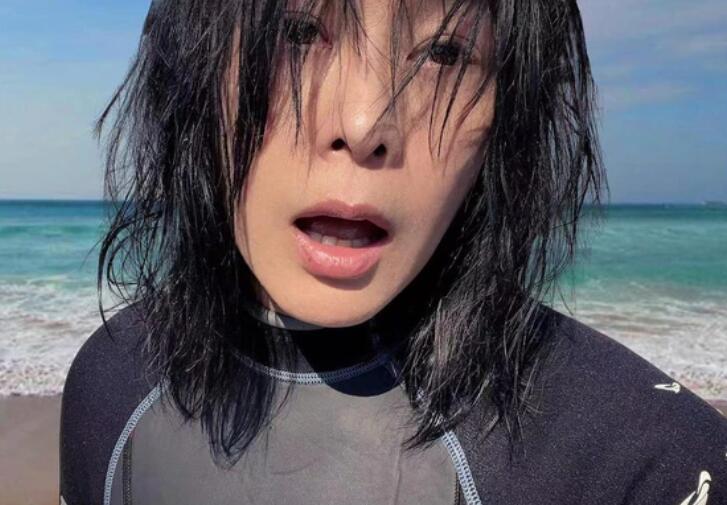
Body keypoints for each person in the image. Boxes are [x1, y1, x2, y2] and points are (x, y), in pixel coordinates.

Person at [59, 0, 727, 504]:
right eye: (298, 32)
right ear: (196, 62)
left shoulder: (650, 463)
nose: (363, 124)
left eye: (443, 54)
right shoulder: (110, 380)